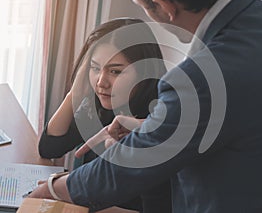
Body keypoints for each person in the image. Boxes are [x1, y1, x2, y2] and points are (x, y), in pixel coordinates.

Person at [30, 0, 262, 212]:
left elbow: (125, 170)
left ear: (164, 7)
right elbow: (245, 114)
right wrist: (154, 128)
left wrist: (53, 189)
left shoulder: (200, 78)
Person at [37, 18, 171, 213]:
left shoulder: (159, 118)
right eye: (95, 68)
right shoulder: (102, 105)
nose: (101, 82)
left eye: (115, 71)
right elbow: (50, 148)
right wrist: (74, 93)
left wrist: (72, 199)